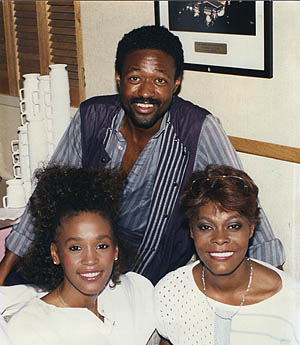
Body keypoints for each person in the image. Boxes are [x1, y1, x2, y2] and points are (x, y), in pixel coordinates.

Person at [0, 25, 284, 287]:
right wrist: (3, 274)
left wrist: (278, 297)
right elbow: (45, 198)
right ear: (119, 78)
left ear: (176, 83)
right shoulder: (91, 117)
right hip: (86, 261)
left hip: (150, 275)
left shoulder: (197, 128)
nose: (146, 92)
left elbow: (244, 208)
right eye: (135, 78)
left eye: (159, 80)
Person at [0, 165, 155, 345]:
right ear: (55, 253)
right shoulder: (32, 328)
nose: (90, 260)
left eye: (102, 246)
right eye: (75, 248)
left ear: (116, 250)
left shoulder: (132, 292)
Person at [155, 165, 299, 345]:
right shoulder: (172, 291)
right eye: (206, 227)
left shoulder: (290, 301)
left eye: (233, 226)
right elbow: (171, 342)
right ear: (191, 230)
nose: (220, 238)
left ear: (251, 229)